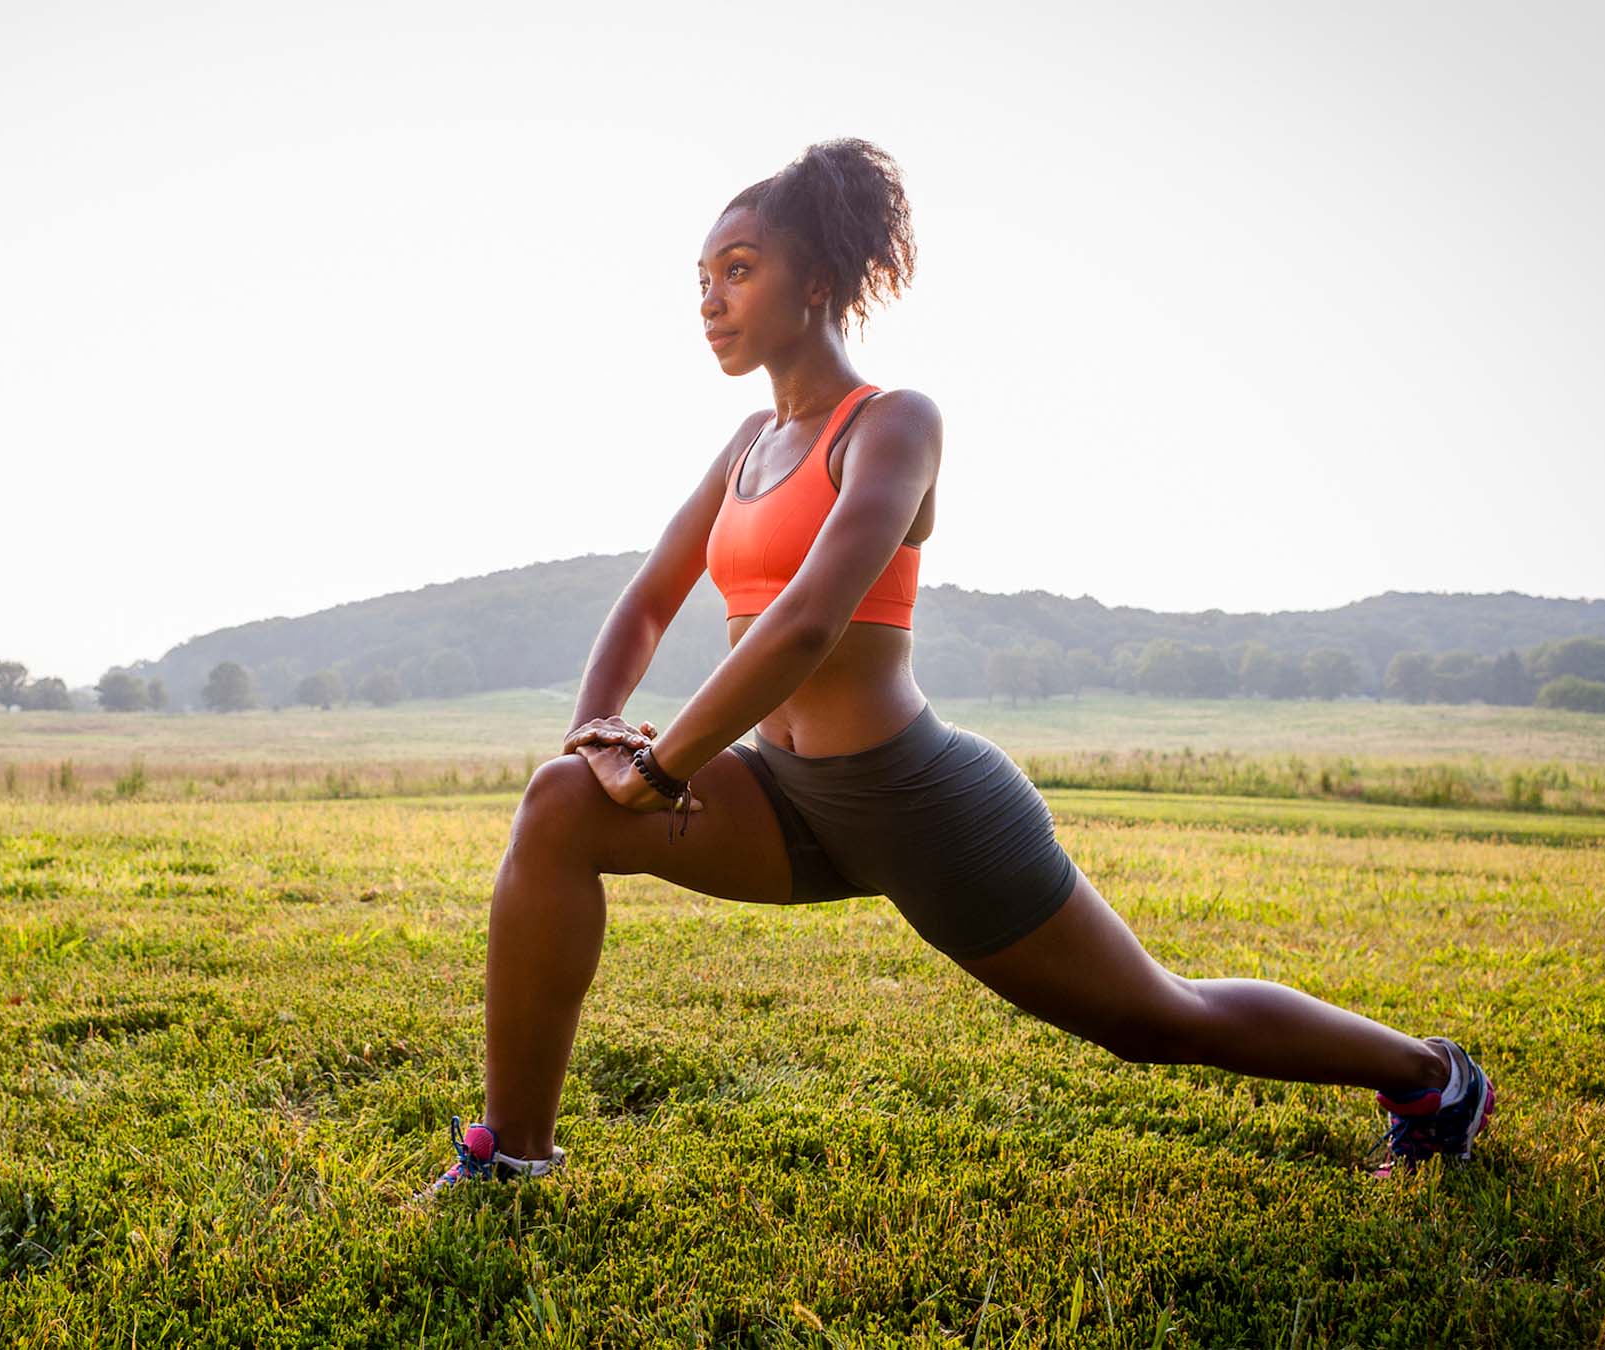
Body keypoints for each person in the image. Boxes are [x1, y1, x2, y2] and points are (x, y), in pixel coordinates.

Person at [419, 138, 1493, 1199]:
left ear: (820, 283)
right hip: (788, 798)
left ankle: (1430, 1080)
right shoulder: (748, 443)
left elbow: (804, 625)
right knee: (561, 804)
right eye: (701, 279)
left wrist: (659, 771)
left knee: (1159, 1021)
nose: (711, 298)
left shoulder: (892, 425)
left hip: (921, 801)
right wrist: (598, 731)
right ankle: (511, 1158)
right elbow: (650, 597)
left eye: (739, 270)